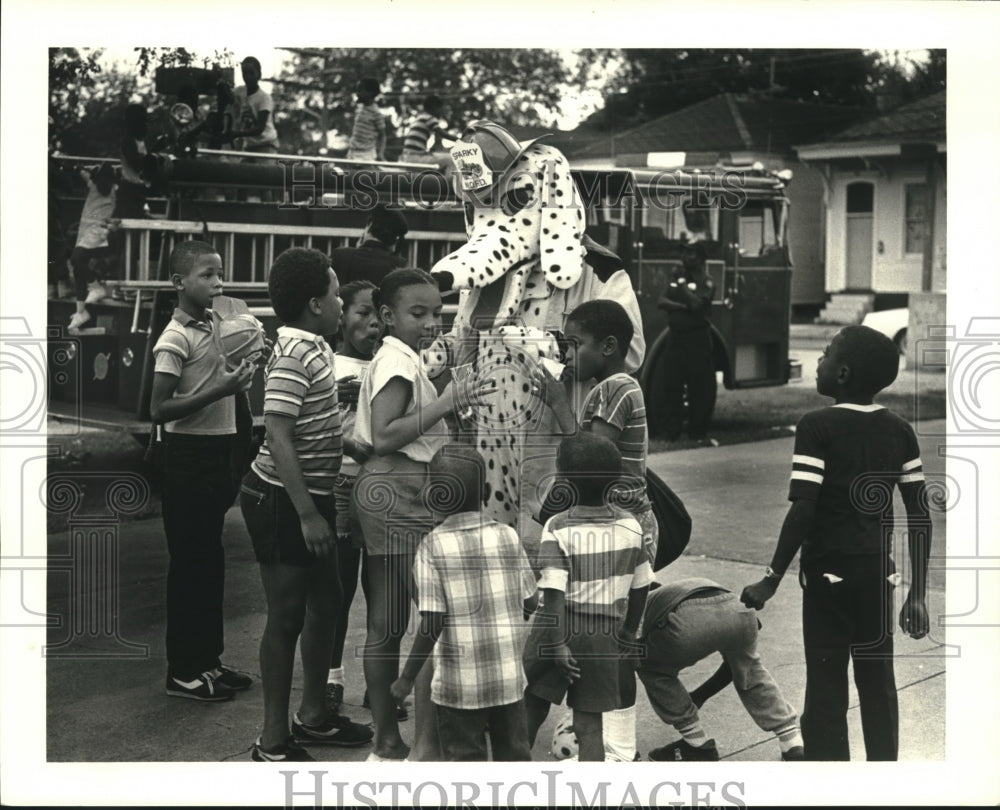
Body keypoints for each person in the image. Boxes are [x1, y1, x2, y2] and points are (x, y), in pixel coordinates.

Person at [740, 324, 931, 761]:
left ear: (841, 374)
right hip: (879, 578)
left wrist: (771, 578)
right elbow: (919, 515)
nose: (819, 362)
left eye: (824, 354)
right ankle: (883, 778)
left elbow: (804, 509)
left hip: (830, 581)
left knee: (826, 687)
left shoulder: (816, 426)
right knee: (878, 684)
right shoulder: (899, 430)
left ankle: (830, 783)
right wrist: (917, 594)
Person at [352, 268, 495, 761]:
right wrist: (449, 401)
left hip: (393, 493)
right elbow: (385, 434)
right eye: (418, 313)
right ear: (387, 317)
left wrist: (450, 395)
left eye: (438, 312)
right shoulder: (396, 361)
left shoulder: (402, 358)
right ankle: (420, 744)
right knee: (426, 621)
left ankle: (391, 740)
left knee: (390, 624)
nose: (432, 322)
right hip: (398, 492)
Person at [239, 248, 373, 762]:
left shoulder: (311, 346)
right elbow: (277, 433)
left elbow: (312, 424)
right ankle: (273, 740)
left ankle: (314, 716)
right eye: (339, 294)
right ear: (317, 304)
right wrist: (308, 514)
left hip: (305, 493)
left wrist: (346, 444)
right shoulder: (297, 354)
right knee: (287, 616)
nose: (343, 303)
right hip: (280, 498)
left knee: (328, 602)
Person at [535, 298, 658, 762]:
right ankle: (600, 738)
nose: (567, 354)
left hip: (612, 525)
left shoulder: (613, 388)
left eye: (575, 344)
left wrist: (556, 401)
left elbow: (588, 458)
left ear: (608, 346)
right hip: (624, 524)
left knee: (600, 632)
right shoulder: (616, 387)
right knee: (608, 637)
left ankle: (611, 742)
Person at [149, 240, 258, 703]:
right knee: (190, 565)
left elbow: (231, 370)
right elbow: (158, 409)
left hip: (218, 454)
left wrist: (253, 351)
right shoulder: (174, 338)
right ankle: (182, 672)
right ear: (179, 283)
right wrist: (218, 389)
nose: (218, 283)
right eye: (207, 275)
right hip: (186, 457)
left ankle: (208, 661)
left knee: (210, 564)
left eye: (220, 274)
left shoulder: (218, 325)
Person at [389, 444, 537, 761]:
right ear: (484, 492)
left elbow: (432, 622)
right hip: (508, 682)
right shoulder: (507, 536)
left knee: (465, 765)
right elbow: (531, 601)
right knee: (516, 759)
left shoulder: (431, 547)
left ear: (434, 495)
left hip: (460, 690)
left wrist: (406, 679)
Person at [523, 434, 653, 761]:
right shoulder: (631, 525)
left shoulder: (557, 526)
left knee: (532, 703)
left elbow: (553, 591)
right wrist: (629, 633)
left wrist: (555, 644)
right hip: (603, 635)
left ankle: (511, 777)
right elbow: (641, 588)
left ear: (563, 481)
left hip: (557, 627)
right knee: (590, 725)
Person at [639, 577, 804, 762]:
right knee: (749, 668)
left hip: (688, 615)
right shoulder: (670, 589)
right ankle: (791, 741)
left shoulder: (635, 602)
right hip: (737, 608)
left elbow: (624, 658)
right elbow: (732, 668)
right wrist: (701, 694)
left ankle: (696, 744)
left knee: (648, 665)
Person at [324, 280, 381, 717]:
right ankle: (332, 677)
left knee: (382, 595)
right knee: (336, 594)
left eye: (379, 314)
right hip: (341, 489)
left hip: (383, 492)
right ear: (342, 316)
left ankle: (378, 685)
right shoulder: (326, 363)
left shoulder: (392, 364)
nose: (373, 322)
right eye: (363, 313)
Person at [657, 241, 717, 443]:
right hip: (676, 337)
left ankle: (697, 433)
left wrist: (682, 288)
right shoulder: (678, 281)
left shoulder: (707, 282)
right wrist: (682, 306)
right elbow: (661, 301)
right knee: (670, 384)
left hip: (697, 339)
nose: (684, 257)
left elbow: (697, 304)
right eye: (684, 253)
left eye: (690, 253)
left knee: (699, 387)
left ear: (701, 258)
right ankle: (670, 432)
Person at [67, 163, 117, 330]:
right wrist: (77, 168)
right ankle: (80, 312)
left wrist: (83, 170)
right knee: (77, 267)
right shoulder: (96, 184)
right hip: (86, 233)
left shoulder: (110, 190)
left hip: (97, 235)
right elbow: (84, 174)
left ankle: (95, 287)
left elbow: (88, 176)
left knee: (76, 259)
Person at [329, 204, 408, 287]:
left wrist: (357, 251)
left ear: (370, 224)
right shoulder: (400, 266)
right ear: (395, 240)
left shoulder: (340, 256)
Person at [230, 56, 279, 154]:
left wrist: (236, 134)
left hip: (266, 144)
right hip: (249, 145)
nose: (248, 77)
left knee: (262, 169)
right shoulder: (239, 92)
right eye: (245, 73)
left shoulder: (264, 98)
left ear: (259, 75)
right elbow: (226, 95)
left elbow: (260, 128)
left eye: (251, 73)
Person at [400, 94, 455, 168]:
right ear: (434, 108)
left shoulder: (420, 117)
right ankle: (450, 179)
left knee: (439, 155)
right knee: (453, 159)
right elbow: (443, 134)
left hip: (407, 157)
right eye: (440, 109)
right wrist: (461, 140)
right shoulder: (430, 118)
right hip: (415, 158)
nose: (441, 112)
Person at [347, 78, 387, 162]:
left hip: (366, 154)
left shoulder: (376, 113)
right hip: (353, 151)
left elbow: (382, 135)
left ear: (370, 93)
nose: (357, 94)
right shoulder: (360, 109)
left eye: (360, 91)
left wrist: (380, 153)